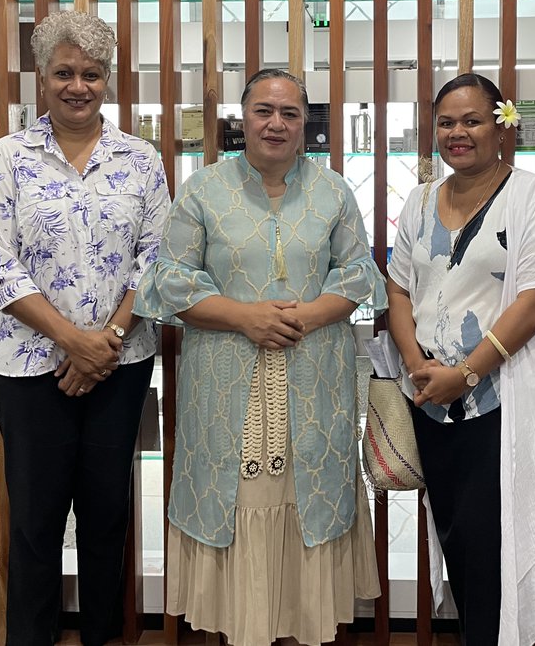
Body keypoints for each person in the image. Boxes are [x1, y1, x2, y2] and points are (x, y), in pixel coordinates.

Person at [134, 69, 384, 646]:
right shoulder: (203, 189)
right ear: (241, 119)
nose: (276, 123)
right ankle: (241, 629)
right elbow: (169, 279)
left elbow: (358, 272)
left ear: (304, 125)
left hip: (312, 374)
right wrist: (245, 317)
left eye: (290, 114)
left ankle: (301, 629)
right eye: (264, 111)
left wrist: (307, 315)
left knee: (304, 500)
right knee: (236, 504)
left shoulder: (333, 191)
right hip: (223, 380)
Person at [0, 11, 169, 646]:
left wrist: (104, 342)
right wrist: (73, 341)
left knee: (107, 511)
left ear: (108, 80)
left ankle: (101, 636)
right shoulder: (7, 158)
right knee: (35, 517)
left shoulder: (140, 161)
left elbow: (158, 260)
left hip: (120, 363)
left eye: (91, 73)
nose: (77, 85)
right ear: (41, 78)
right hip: (29, 367)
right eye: (64, 72)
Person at [385, 73, 535, 646]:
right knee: (458, 538)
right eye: (446, 122)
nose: (457, 133)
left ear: (501, 126)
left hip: (501, 402)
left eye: (472, 120)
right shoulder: (419, 200)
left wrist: (466, 372)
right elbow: (398, 288)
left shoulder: (531, 196)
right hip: (432, 401)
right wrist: (418, 361)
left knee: (497, 544)